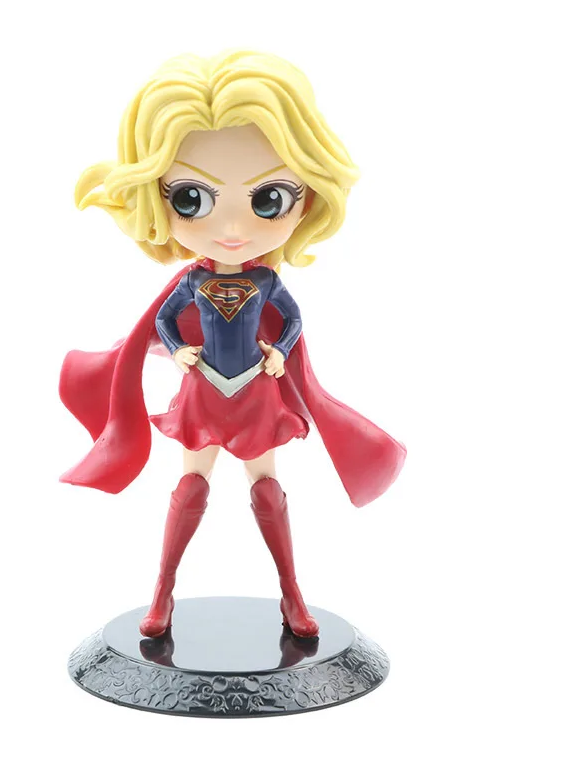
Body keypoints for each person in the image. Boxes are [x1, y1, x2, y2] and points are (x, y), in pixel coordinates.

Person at [60, 50, 406, 639]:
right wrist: (179, 350)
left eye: (268, 199)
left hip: (253, 392)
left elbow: (292, 322)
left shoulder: (266, 281)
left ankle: (292, 595)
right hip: (203, 390)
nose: (232, 228)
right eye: (191, 199)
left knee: (266, 489)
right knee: (191, 486)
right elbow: (165, 320)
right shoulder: (192, 281)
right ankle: (162, 594)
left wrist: (279, 353)